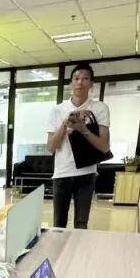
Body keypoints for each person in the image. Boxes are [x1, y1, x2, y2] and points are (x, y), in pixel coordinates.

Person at [46, 63, 111, 229]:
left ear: (91, 84)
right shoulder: (57, 110)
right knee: (58, 224)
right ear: (70, 83)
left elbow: (104, 147)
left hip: (86, 174)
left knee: (81, 224)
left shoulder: (99, 108)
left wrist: (83, 129)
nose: (80, 82)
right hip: (61, 173)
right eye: (76, 78)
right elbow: (51, 147)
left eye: (85, 78)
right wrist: (65, 124)